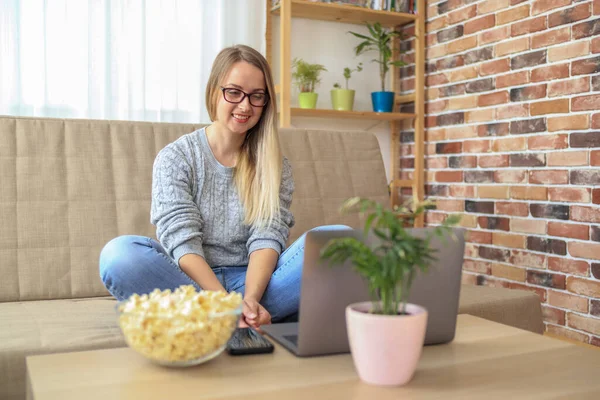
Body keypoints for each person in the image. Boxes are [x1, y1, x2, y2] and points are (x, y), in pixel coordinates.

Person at [99, 44, 345, 331]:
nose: (245, 106)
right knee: (119, 255)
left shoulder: (274, 165)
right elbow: (182, 242)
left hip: (257, 285)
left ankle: (220, 319)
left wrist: (249, 299)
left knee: (338, 242)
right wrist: (222, 301)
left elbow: (267, 237)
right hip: (192, 285)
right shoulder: (176, 157)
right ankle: (231, 316)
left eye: (257, 96)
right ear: (214, 92)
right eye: (234, 92)